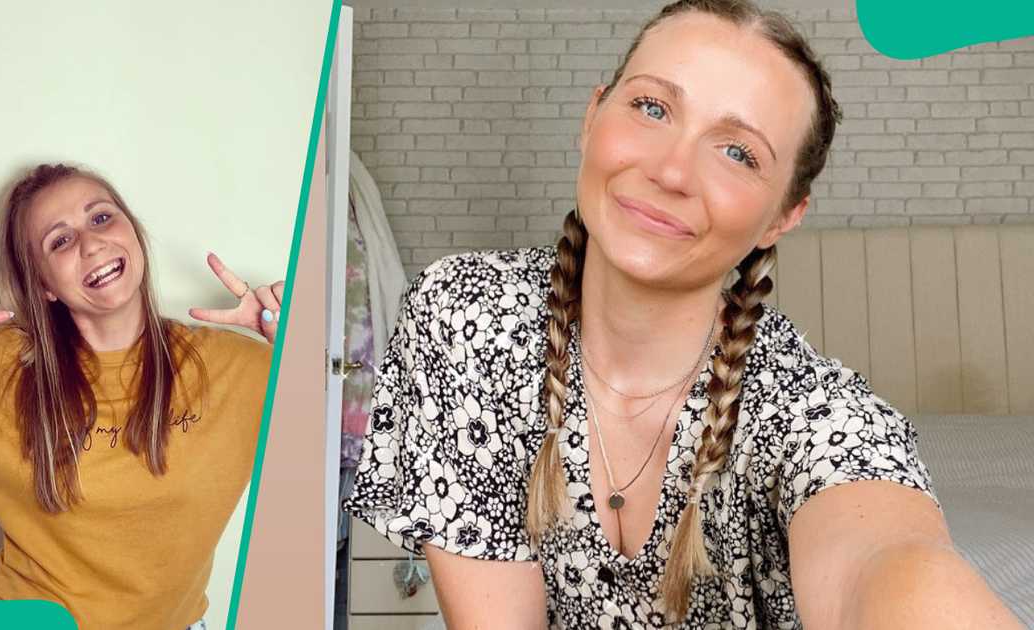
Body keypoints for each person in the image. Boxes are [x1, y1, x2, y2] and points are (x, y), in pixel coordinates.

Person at [343, 1, 1024, 628]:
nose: (672, 170)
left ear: (783, 216)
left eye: (738, 152)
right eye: (651, 107)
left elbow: (889, 562)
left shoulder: (815, 416)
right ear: (592, 117)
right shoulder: (469, 320)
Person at [0, 163, 284, 630]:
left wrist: (305, 343)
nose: (91, 243)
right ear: (43, 284)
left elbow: (365, 445)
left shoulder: (243, 368)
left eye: (101, 218)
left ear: (134, 234)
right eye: (60, 241)